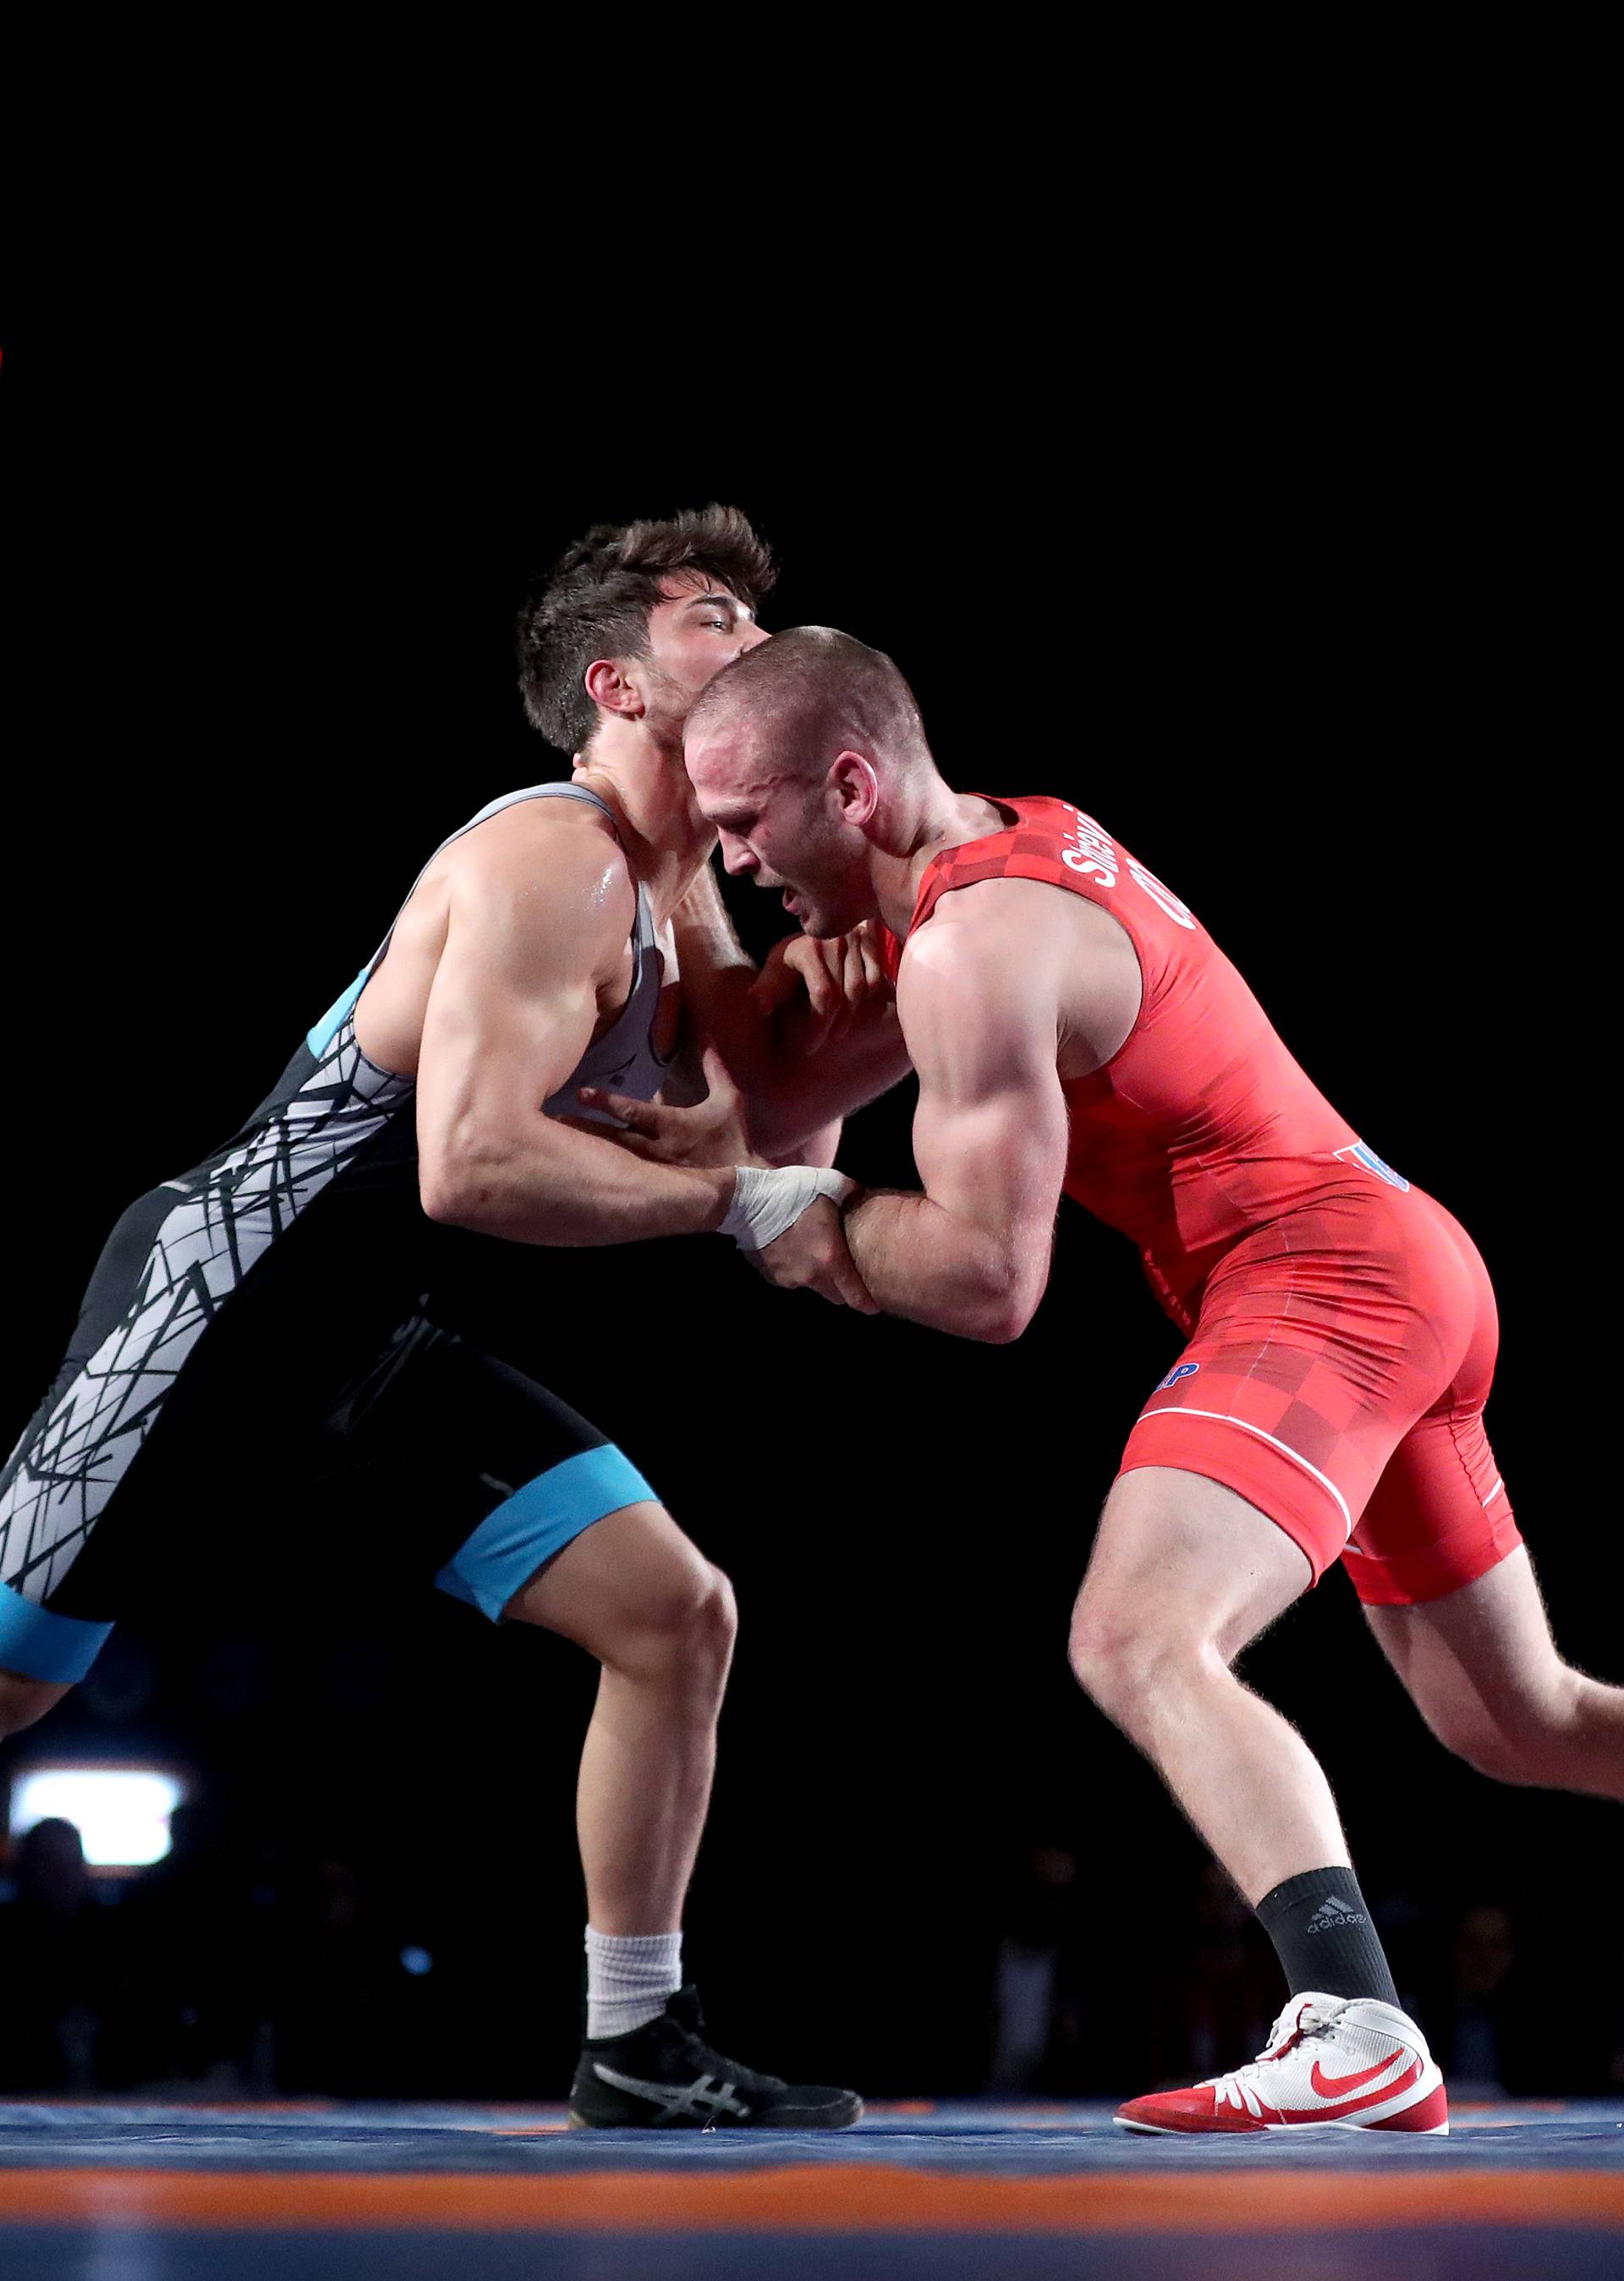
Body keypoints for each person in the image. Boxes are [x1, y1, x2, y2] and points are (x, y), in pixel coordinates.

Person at [598, 624, 1624, 2136]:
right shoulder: (1002, 851)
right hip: (1403, 1267)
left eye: (745, 827)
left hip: (1323, 1282)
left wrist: (766, 1213)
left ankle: (1356, 2024)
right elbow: (788, 1107)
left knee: (1140, 1637)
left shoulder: (967, 953)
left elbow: (990, 1286)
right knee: (1521, 1723)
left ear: (855, 786)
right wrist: (701, 934)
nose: (737, 861)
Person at [0, 521, 903, 2129]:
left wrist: (853, 1025)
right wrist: (735, 1199)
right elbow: (474, 1162)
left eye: (762, 617)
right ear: (617, 686)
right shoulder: (547, 858)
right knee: (8, 1685)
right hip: (218, 1306)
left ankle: (634, 2042)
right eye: (716, 619)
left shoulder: (692, 892)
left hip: (360, 1349)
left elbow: (759, 1154)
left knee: (675, 1615)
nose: (757, 639)